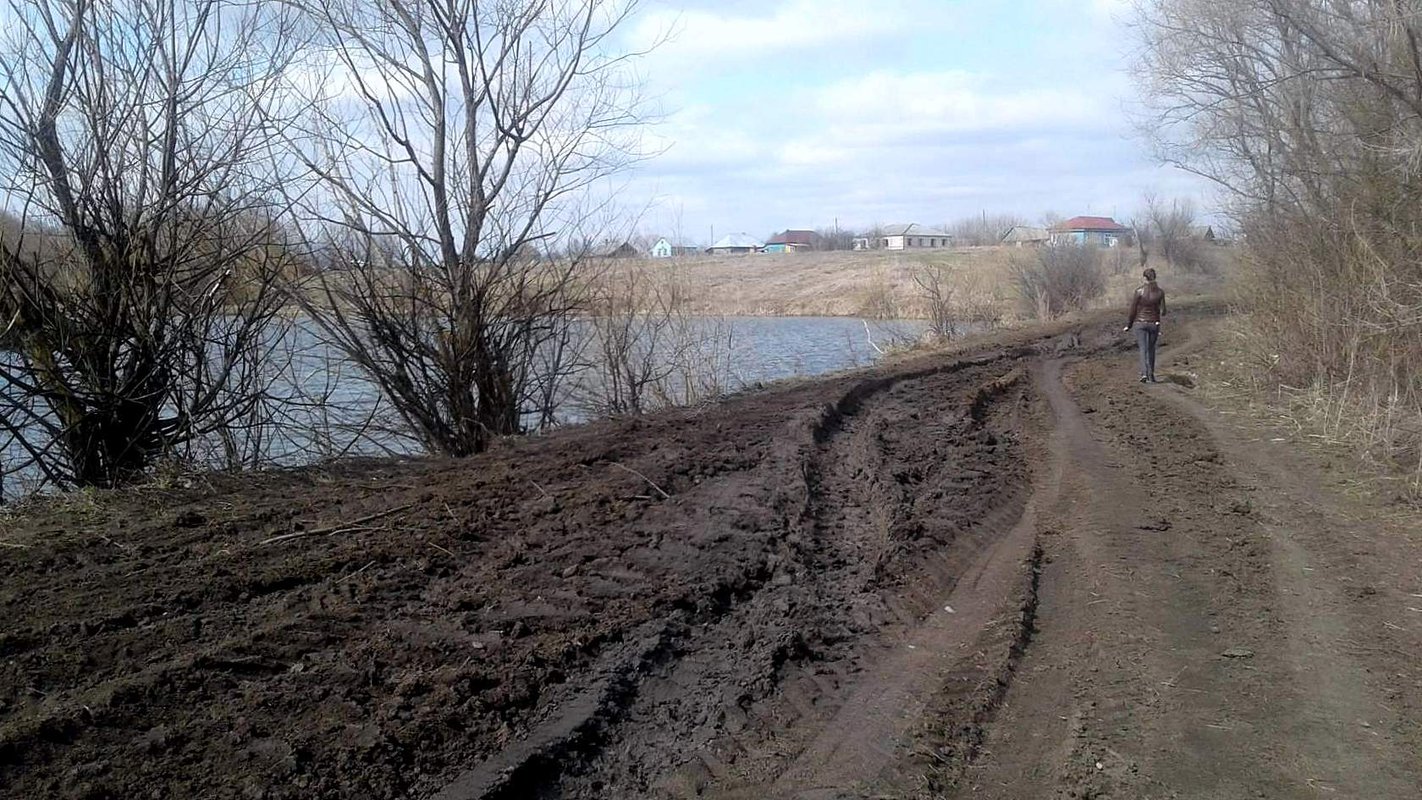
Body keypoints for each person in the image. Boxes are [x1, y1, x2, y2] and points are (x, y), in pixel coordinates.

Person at [1123, 268, 1166, 383]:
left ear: (1144, 278)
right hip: (1154, 324)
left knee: (1143, 349)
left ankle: (1144, 373)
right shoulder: (1160, 292)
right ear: (1155, 277)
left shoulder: (1139, 291)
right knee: (1151, 349)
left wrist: (1129, 325)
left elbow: (1132, 311)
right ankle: (1151, 375)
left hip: (1140, 323)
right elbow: (1163, 311)